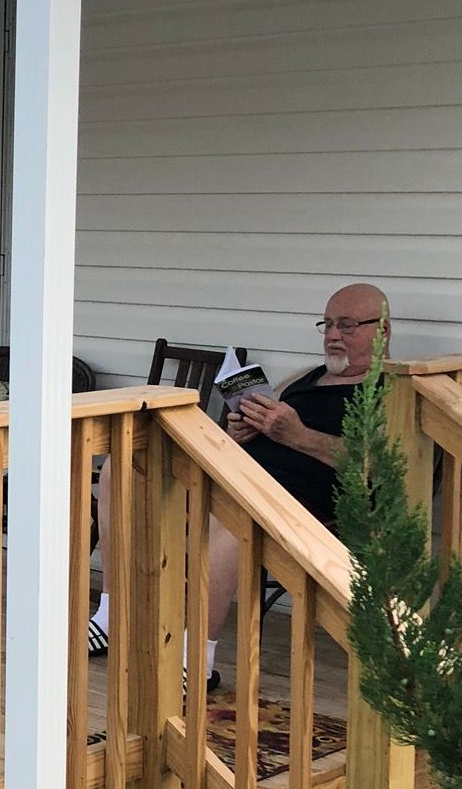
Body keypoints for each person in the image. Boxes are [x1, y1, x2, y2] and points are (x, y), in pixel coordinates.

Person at [88, 283, 391, 682]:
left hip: (298, 504)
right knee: (123, 464)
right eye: (328, 324)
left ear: (382, 330)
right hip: (237, 475)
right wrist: (240, 431)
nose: (333, 335)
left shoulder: (391, 391)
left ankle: (196, 658)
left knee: (231, 516)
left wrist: (298, 436)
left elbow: (379, 467)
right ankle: (111, 613)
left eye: (347, 325)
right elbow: (262, 430)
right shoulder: (306, 377)